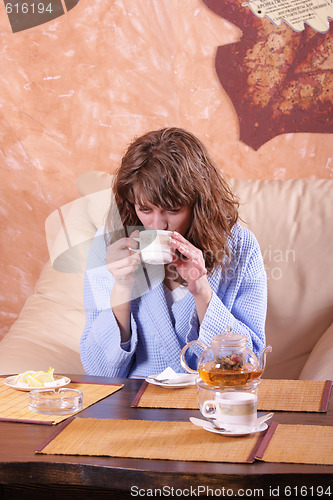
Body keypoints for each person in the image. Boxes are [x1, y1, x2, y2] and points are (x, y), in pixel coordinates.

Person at [80, 127, 267, 378]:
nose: (158, 225)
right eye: (145, 209)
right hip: (135, 406)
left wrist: (201, 290)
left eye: (172, 209)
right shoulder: (111, 246)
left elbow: (248, 364)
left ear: (198, 204)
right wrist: (122, 288)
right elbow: (97, 371)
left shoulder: (240, 246)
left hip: (210, 399)